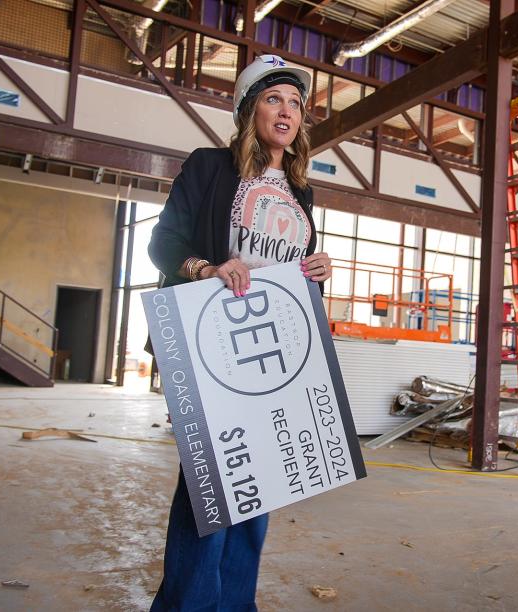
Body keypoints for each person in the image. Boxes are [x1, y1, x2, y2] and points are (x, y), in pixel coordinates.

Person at [147, 54, 332, 611]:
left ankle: (235, 605)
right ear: (250, 109)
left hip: (272, 349)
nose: (287, 111)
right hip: (211, 345)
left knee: (262, 484)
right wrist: (207, 268)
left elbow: (289, 274)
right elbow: (164, 242)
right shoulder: (210, 167)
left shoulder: (301, 192)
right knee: (212, 488)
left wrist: (316, 273)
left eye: (295, 103)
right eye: (274, 99)